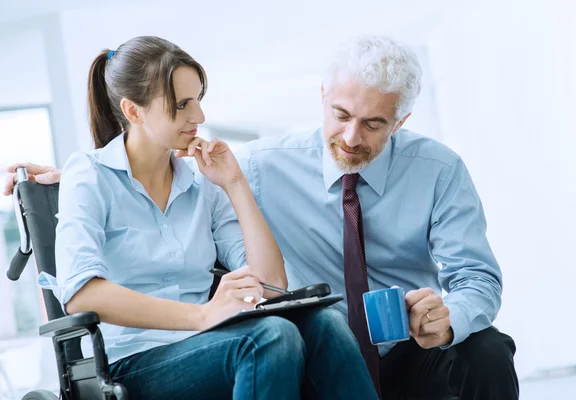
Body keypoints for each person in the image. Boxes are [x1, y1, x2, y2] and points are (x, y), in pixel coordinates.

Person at [5, 35, 518, 399]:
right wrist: (70, 179)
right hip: (136, 357)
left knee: (322, 321)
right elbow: (79, 290)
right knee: (272, 336)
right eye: (183, 105)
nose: (199, 117)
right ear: (134, 111)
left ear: (400, 122)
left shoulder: (207, 179)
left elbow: (271, 284)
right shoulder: (88, 176)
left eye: (199, 101)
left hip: (222, 346)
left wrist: (232, 184)